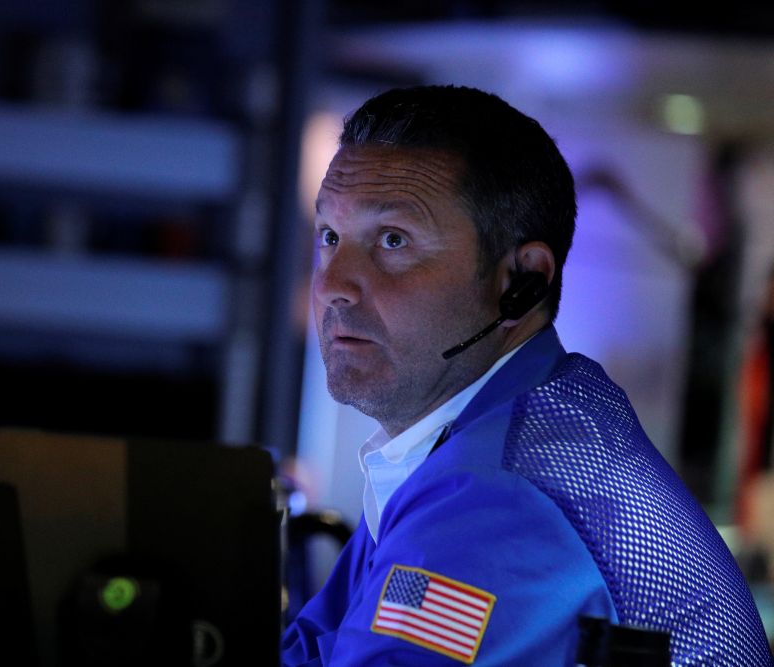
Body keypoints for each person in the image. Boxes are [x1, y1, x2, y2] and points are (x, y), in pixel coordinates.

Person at [281, 85, 773, 666]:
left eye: (393, 241)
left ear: (522, 280)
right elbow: (313, 650)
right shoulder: (474, 439)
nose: (334, 283)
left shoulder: (501, 490)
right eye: (330, 238)